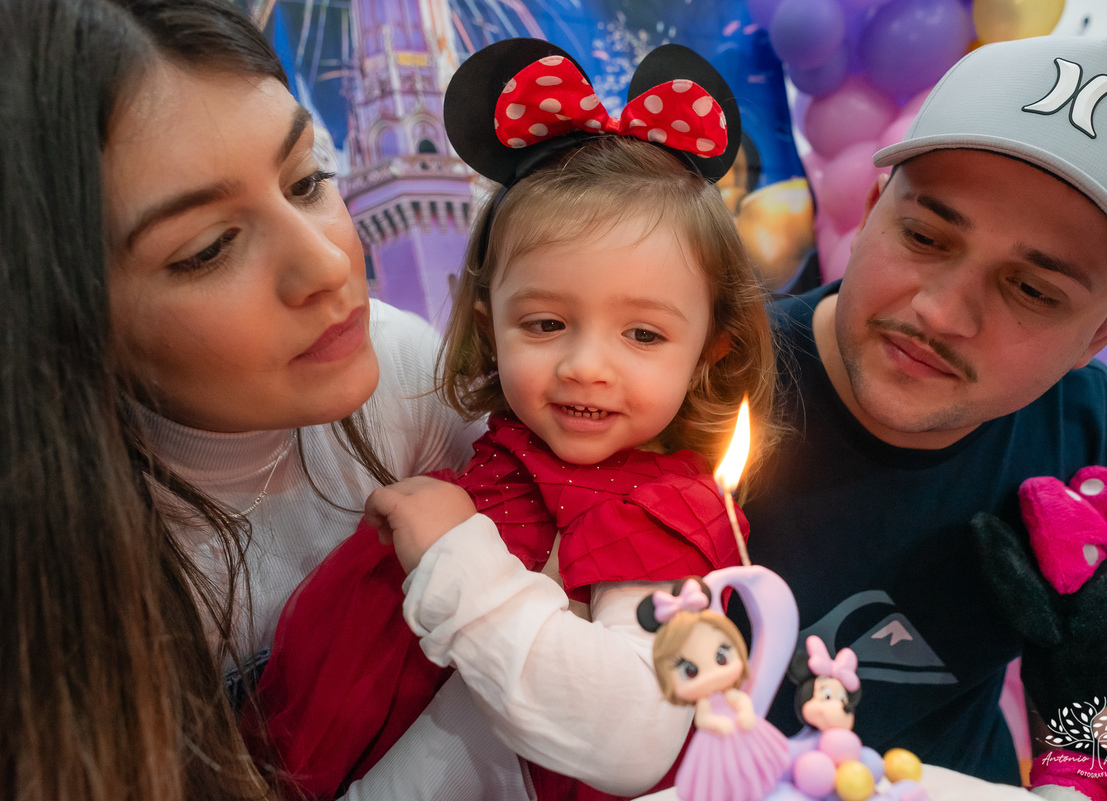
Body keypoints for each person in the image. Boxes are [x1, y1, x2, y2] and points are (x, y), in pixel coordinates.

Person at [0, 1, 529, 799]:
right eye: (208, 249)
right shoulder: (56, 579)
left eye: (309, 180)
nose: (323, 264)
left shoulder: (405, 371)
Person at [252, 38, 779, 801]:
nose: (584, 366)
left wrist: (455, 554)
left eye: (643, 334)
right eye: (544, 324)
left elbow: (632, 732)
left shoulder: (658, 517)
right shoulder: (505, 456)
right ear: (487, 324)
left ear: (709, 352)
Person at [736, 34, 1107, 786]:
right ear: (873, 206)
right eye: (923, 236)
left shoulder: (1085, 425)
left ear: (1104, 333)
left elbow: (1079, 695)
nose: (943, 313)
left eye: (1033, 291)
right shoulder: (708, 377)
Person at [644, 578, 791, 801]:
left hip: (743, 732)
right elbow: (703, 719)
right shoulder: (705, 702)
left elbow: (740, 700)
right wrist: (717, 724)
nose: (712, 675)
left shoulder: (728, 694)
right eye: (691, 671)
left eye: (721, 658)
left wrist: (745, 712)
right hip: (715, 742)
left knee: (756, 770)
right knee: (717, 780)